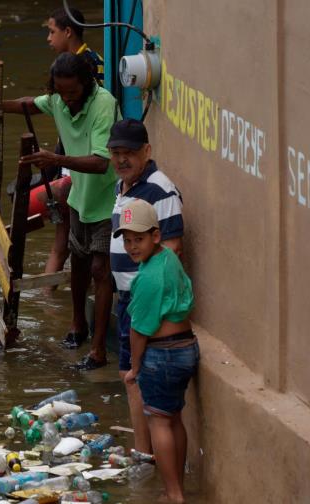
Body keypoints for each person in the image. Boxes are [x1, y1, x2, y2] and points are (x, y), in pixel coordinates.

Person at [0, 52, 118, 370]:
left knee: (101, 272)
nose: (67, 99)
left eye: (73, 92)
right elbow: (32, 103)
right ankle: (77, 326)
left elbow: (101, 162)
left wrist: (55, 160)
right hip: (79, 199)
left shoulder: (104, 104)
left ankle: (98, 350)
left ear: (86, 84)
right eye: (61, 92)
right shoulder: (58, 100)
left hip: (107, 201)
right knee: (80, 266)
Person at [107, 119, 185, 459]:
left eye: (129, 153)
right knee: (128, 374)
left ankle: (144, 451)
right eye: (116, 153)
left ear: (147, 152)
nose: (122, 160)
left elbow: (171, 247)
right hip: (126, 298)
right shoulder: (123, 186)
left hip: (143, 302)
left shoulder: (159, 190)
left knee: (135, 376)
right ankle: (143, 450)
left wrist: (142, 296)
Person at [116, 198, 198, 504]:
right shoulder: (168, 259)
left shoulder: (148, 278)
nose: (132, 247)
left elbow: (139, 331)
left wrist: (135, 368)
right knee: (174, 418)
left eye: (138, 239)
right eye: (127, 240)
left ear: (155, 235)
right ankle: (178, 486)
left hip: (162, 355)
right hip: (186, 347)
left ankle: (172, 494)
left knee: (159, 422)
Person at [26, 7, 106, 282]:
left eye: (52, 31)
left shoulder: (82, 67)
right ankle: (54, 300)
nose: (48, 38)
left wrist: (59, 162)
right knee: (72, 243)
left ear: (68, 31)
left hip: (80, 166)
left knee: (66, 242)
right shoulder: (90, 60)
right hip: (74, 162)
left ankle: (48, 300)